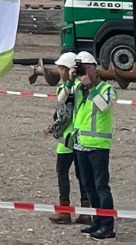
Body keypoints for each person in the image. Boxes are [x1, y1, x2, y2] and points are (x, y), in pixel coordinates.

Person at [71, 50, 116, 239]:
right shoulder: (79, 88)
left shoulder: (106, 89)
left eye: (86, 68)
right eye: (80, 69)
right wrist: (70, 79)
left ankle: (107, 225)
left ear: (94, 68)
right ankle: (96, 221)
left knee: (101, 187)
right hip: (81, 144)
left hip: (98, 146)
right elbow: (63, 98)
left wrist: (92, 87)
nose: (83, 72)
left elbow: (104, 107)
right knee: (88, 186)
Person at [47, 51, 89, 225]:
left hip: (67, 140)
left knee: (63, 173)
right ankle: (86, 211)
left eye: (61, 68)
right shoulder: (83, 86)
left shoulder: (71, 86)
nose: (59, 71)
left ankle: (65, 212)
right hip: (81, 139)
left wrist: (51, 129)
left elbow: (63, 108)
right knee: (82, 175)